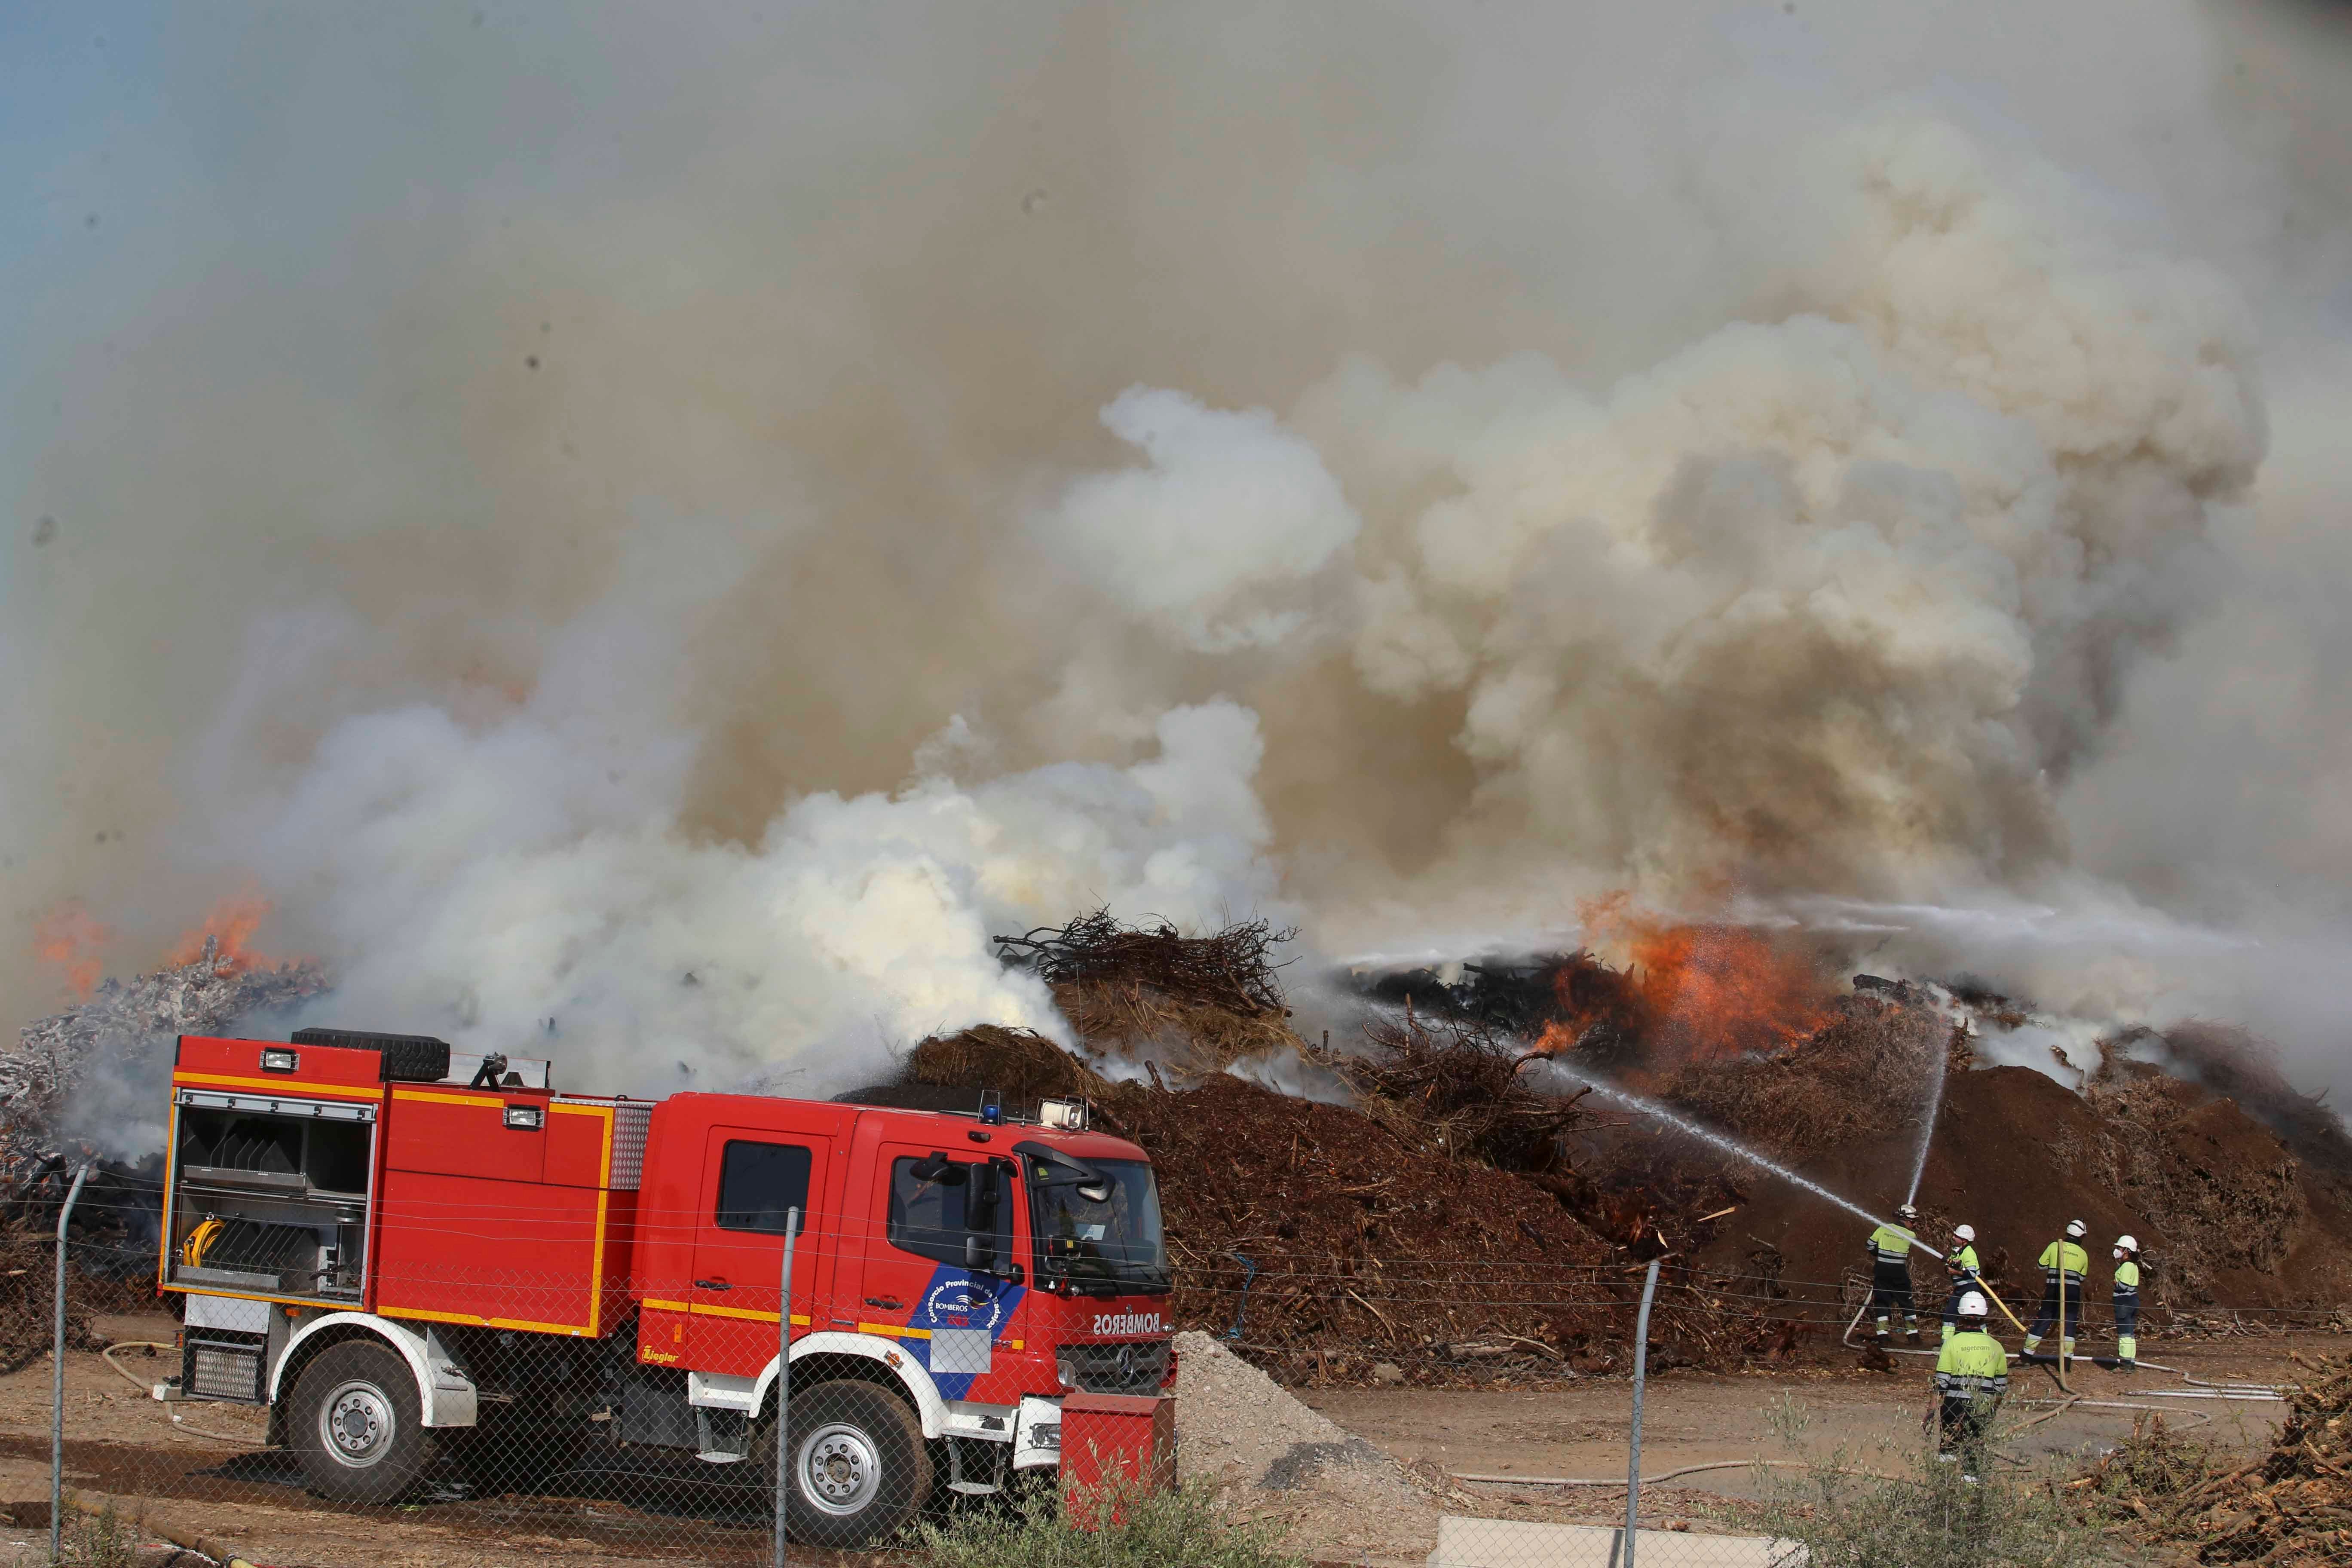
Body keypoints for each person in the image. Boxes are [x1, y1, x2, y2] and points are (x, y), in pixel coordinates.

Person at [1932, 1290, 2009, 1482]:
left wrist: (1931, 1409)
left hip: (1953, 1405)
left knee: (1948, 1446)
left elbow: (1941, 1383)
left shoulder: (1951, 1344)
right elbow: (2000, 1388)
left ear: (1960, 1316)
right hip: (1981, 1406)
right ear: (1984, 1317)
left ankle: (1945, 1486)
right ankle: (1971, 1486)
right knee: (1974, 1450)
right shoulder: (1997, 1346)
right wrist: (1992, 1409)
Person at [2021, 1219, 2090, 1363]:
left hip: (2053, 1290)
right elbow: (2082, 1277)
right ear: (2082, 1236)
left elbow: (2041, 1265)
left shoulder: (2054, 1246)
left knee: (2044, 1320)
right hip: (2072, 1293)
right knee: (2069, 1324)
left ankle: (2026, 1356)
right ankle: (2066, 1361)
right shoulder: (2083, 1254)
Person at [1867, 1203, 1923, 1343]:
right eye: (1913, 1222)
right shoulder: (1911, 1235)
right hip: (1899, 1273)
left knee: (1882, 1302)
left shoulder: (1883, 1228)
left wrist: (1879, 1253)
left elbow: (1869, 1245)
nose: (1915, 1225)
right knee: (1907, 1302)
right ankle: (1913, 1336)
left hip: (1882, 1271)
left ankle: (1882, 1335)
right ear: (1905, 1219)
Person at [1940, 1223, 1982, 1343]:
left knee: (1975, 1317)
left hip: (1970, 1289)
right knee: (1950, 1315)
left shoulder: (1969, 1253)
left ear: (1964, 1241)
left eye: (1956, 1236)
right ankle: (1946, 1343)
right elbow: (1948, 1267)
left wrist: (1955, 1271)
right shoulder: (1957, 1252)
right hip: (1959, 1290)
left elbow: (1972, 1274)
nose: (1953, 1238)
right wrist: (1949, 1268)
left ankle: (1982, 1341)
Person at [2111, 1235, 2141, 1371]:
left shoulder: (2127, 1266)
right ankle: (2130, 1362)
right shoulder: (2133, 1266)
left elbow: (2123, 1286)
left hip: (2124, 1302)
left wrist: (2115, 1282)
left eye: (2120, 1248)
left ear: (2127, 1251)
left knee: (2124, 1334)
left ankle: (2125, 1364)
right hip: (2132, 1301)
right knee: (2130, 1334)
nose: (2117, 1250)